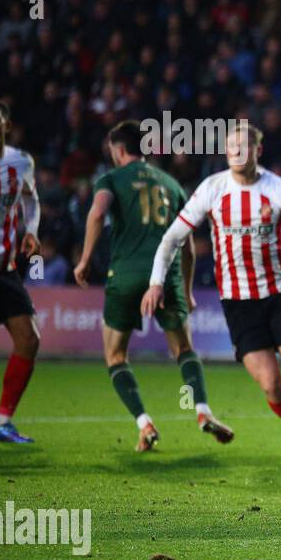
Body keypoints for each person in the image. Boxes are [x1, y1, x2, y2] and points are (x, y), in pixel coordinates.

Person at [143, 123, 281, 463]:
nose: (236, 150)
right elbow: (172, 238)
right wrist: (156, 282)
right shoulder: (212, 189)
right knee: (272, 386)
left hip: (279, 296)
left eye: (244, 145)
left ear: (258, 151)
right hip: (238, 304)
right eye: (231, 145)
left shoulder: (280, 189)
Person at [74, 120, 233, 450]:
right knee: (184, 350)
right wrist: (186, 289)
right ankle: (202, 411)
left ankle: (144, 424)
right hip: (168, 276)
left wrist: (86, 258)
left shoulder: (111, 179)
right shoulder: (172, 184)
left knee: (115, 356)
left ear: (119, 150)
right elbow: (187, 245)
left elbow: (96, 213)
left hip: (126, 274)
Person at [0, 98, 39, 443]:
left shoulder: (21, 162)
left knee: (29, 340)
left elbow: (32, 199)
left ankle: (2, 422)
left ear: (6, 124)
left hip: (3, 268)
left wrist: (32, 230)